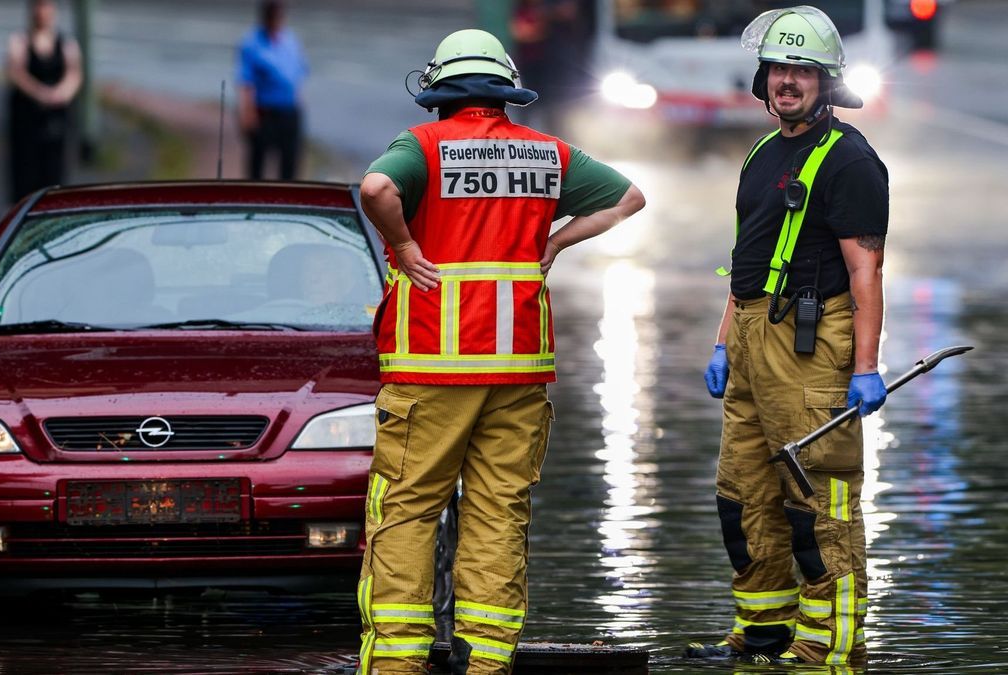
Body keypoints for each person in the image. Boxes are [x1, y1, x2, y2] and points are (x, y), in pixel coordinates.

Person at [357, 29, 645, 674]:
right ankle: (488, 664)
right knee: (498, 511)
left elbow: (377, 190)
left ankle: (398, 665)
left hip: (431, 363)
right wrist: (557, 243)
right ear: (506, 90)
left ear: (440, 92)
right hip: (517, 365)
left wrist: (403, 246)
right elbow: (629, 197)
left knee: (407, 509)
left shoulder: (423, 146)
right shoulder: (547, 153)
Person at [689, 5, 889, 667]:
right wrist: (723, 342)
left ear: (826, 81)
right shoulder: (762, 151)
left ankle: (832, 644)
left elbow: (865, 270)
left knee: (817, 504)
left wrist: (865, 365)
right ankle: (765, 632)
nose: (787, 81)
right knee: (742, 495)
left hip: (810, 347)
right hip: (751, 337)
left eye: (801, 70)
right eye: (778, 67)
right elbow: (747, 259)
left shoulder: (851, 160)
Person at [6, 0, 83, 203]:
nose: (41, 11)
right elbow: (15, 71)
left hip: (55, 119)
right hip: (27, 119)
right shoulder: (19, 41)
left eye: (46, 6)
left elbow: (74, 74)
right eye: (38, 6)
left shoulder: (66, 43)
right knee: (26, 173)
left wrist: (60, 94)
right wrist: (40, 93)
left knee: (54, 174)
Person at [235, 0, 309, 181]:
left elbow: (297, 75)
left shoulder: (290, 39)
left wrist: (299, 103)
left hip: (289, 111)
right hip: (264, 111)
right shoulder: (252, 43)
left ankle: (288, 199)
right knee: (258, 162)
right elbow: (246, 81)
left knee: (290, 162)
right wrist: (247, 113)